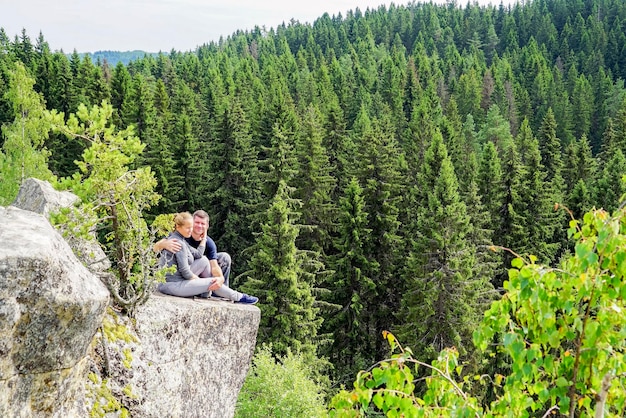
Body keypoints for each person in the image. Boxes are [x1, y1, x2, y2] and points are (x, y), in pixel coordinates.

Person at [155, 211, 258, 304]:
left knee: (205, 260)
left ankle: (210, 292)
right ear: (178, 226)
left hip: (180, 278)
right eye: (188, 228)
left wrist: (203, 239)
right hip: (173, 284)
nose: (191, 230)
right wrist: (163, 244)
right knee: (211, 282)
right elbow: (185, 271)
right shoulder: (177, 242)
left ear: (207, 226)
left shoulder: (182, 239)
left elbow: (199, 255)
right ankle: (238, 297)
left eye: (202, 224)